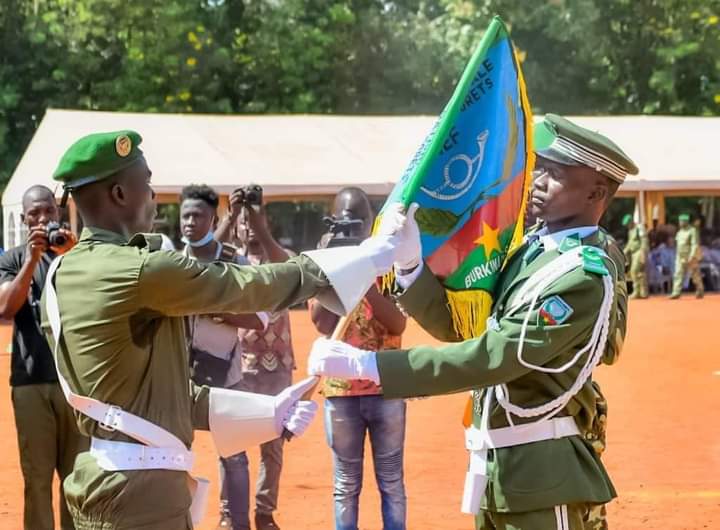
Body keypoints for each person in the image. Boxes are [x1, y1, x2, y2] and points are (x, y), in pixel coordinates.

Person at [40, 130, 403, 530]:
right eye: (146, 184)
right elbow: (246, 287)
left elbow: (147, 395)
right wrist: (358, 259)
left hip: (106, 477)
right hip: (142, 493)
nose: (153, 196)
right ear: (120, 195)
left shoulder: (61, 273)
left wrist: (267, 412)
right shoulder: (139, 269)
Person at [308, 114, 634, 530]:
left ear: (597, 192)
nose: (536, 182)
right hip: (498, 470)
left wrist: (370, 367)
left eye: (555, 175)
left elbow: (496, 356)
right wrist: (411, 267)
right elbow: (464, 326)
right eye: (538, 169)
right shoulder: (529, 254)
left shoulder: (583, 276)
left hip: (544, 477)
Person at [310, 187, 408, 530]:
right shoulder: (325, 261)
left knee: (391, 482)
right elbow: (321, 322)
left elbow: (398, 323)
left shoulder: (391, 260)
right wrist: (334, 263)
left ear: (371, 223)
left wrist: (365, 273)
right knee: (345, 485)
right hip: (341, 393)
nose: (350, 231)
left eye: (357, 222)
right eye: (343, 223)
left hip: (387, 387)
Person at [179, 184, 272, 530]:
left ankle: (239, 524)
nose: (190, 222)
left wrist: (217, 312)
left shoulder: (235, 261)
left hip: (226, 376)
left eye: (198, 216)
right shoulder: (172, 260)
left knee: (233, 456)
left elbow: (260, 318)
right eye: (185, 215)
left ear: (213, 218)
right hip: (176, 376)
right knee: (172, 456)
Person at [0, 185, 88, 530]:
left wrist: (73, 253)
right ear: (23, 219)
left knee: (77, 481)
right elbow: (6, 307)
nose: (42, 219)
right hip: (31, 382)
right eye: (34, 214)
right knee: (37, 481)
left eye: (48, 211)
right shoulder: (11, 259)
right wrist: (33, 259)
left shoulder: (76, 254)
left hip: (75, 385)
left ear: (58, 214)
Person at [213, 191, 299, 530]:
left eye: (255, 222)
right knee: (232, 443)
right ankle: (227, 513)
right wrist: (232, 215)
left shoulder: (283, 258)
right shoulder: (232, 259)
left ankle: (264, 511)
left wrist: (257, 219)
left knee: (273, 447)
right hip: (239, 365)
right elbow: (206, 256)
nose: (249, 229)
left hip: (277, 366)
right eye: (245, 224)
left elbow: (284, 264)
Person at [670, 214, 703, 299]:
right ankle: (676, 292)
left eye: (682, 221)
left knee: (695, 274)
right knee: (678, 273)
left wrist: (692, 256)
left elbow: (694, 244)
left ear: (686, 222)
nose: (680, 223)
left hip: (690, 255)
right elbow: (678, 245)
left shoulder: (692, 231)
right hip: (680, 256)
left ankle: (699, 290)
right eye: (679, 221)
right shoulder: (679, 232)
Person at [622, 214, 649, 299]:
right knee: (640, 273)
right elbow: (630, 243)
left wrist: (643, 253)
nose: (627, 226)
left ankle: (636, 292)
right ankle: (643, 292)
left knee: (634, 271)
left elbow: (644, 240)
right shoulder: (630, 231)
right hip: (633, 253)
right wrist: (624, 252)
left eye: (628, 224)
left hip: (639, 251)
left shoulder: (639, 228)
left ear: (631, 222)